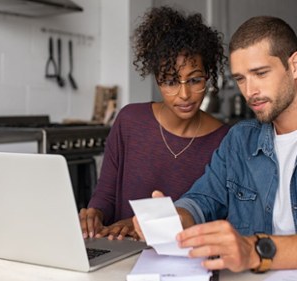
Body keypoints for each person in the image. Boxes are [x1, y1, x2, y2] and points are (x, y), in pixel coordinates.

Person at [134, 16, 297, 272]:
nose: (249, 91)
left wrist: (256, 251)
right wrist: (175, 218)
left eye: (260, 73)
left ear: (295, 65)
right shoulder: (239, 140)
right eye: (240, 78)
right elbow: (202, 199)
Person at [79, 6, 229, 241]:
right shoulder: (129, 121)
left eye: (195, 80)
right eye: (170, 82)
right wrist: (94, 214)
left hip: (184, 263)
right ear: (157, 80)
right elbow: (106, 194)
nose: (184, 94)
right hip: (119, 252)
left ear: (208, 77)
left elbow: (214, 214)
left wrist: (141, 224)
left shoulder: (225, 140)